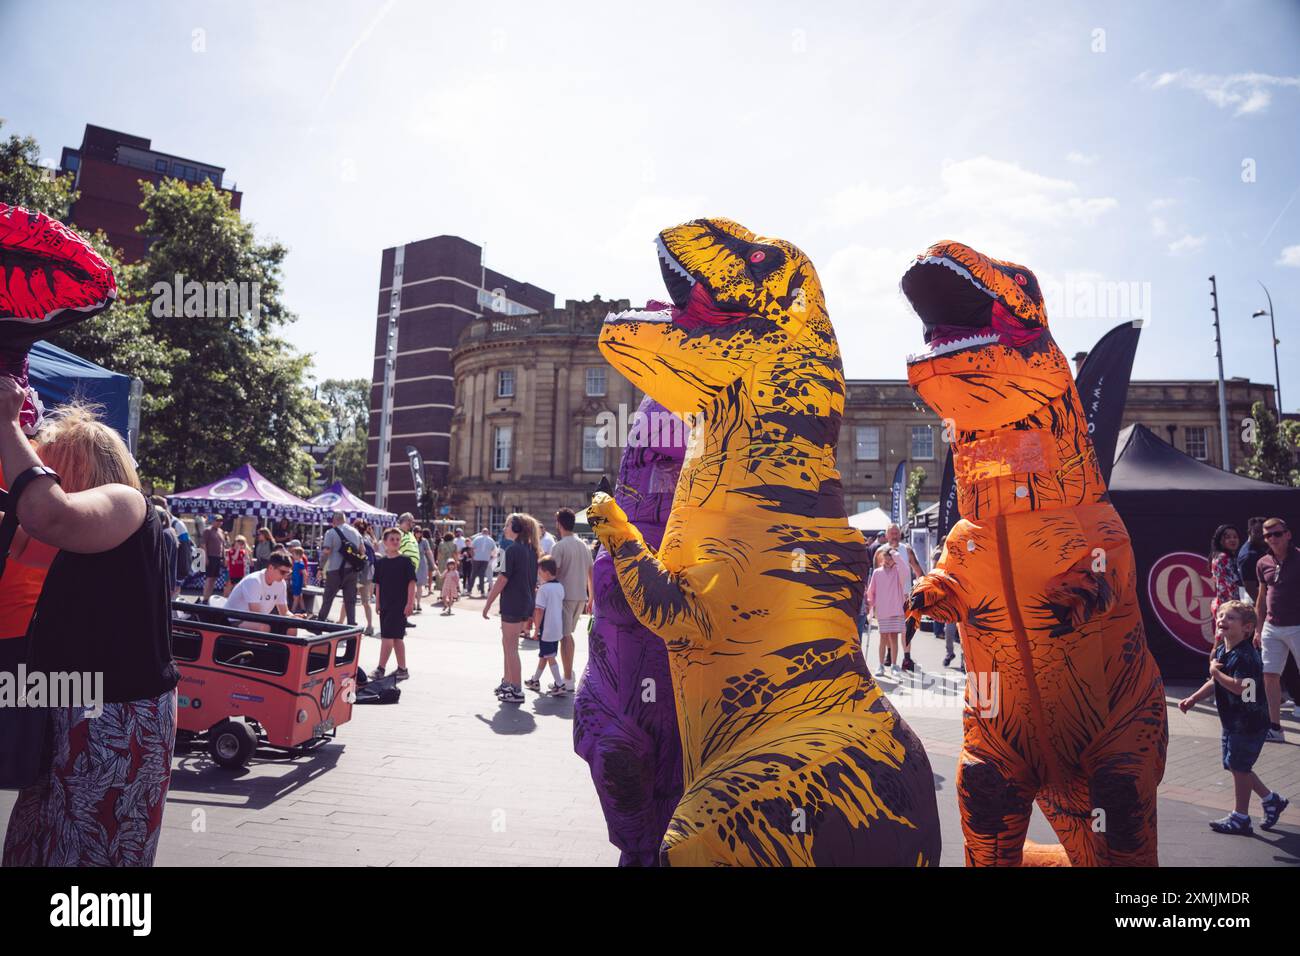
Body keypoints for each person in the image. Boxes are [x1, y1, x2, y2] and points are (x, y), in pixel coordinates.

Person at [0, 397, 177, 867]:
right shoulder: (84, 531)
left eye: (46, 468)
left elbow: (43, 514)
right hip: (71, 710)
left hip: (116, 719)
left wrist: (4, 417)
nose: (32, 478)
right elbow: (18, 535)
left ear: (77, 467)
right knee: (36, 848)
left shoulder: (125, 501)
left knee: (93, 854)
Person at [1179, 601, 1289, 834]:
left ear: (1247, 628)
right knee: (1236, 765)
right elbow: (1214, 682)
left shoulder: (1246, 657)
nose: (1222, 620)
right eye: (1220, 615)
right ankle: (1271, 800)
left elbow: (1242, 689)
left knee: (1239, 766)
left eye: (1230, 618)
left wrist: (1216, 672)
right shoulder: (1222, 651)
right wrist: (1193, 699)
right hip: (1232, 722)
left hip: (1248, 724)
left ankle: (1241, 817)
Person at [483, 513, 540, 703]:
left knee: (511, 648)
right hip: (524, 603)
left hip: (512, 603)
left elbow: (501, 579)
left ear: (516, 529)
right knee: (507, 645)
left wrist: (488, 603)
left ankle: (516, 689)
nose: (505, 529)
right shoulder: (531, 550)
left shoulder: (512, 550)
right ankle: (508, 683)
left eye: (508, 525)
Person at [1255, 517, 1300, 743]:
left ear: (1288, 534)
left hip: (1298, 626)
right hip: (1272, 627)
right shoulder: (1263, 562)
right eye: (1267, 535)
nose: (1272, 538)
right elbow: (1262, 597)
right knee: (1269, 675)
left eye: (1277, 533)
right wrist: (1257, 628)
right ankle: (1275, 728)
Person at [551, 508, 593, 693]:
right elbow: (592, 573)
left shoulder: (559, 546)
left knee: (565, 637)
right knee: (568, 636)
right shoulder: (583, 544)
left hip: (565, 596)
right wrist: (592, 597)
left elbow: (554, 572)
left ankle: (567, 679)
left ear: (559, 524)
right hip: (580, 597)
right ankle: (569, 674)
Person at [372, 527, 416, 681]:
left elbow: (411, 583)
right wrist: (377, 603)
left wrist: (410, 603)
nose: (395, 542)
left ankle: (380, 668)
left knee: (387, 638)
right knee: (397, 638)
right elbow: (378, 584)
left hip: (399, 605)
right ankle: (402, 669)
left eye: (398, 539)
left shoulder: (405, 561)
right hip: (385, 605)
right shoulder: (381, 563)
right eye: (392, 539)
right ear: (384, 542)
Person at [224, 551, 298, 634]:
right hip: (233, 620)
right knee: (263, 627)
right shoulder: (254, 580)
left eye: (288, 573)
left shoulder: (281, 583)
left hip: (258, 619)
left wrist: (293, 617)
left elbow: (284, 612)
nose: (285, 576)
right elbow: (255, 614)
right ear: (270, 568)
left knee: (292, 627)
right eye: (283, 572)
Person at [884, 523, 924, 671]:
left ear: (900, 534)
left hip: (905, 596)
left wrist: (920, 589)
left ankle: (907, 658)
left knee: (906, 628)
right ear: (887, 535)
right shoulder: (881, 551)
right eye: (891, 533)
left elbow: (918, 571)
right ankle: (889, 654)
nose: (894, 535)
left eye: (896, 533)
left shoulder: (906, 550)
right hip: (887, 597)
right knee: (888, 629)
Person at [525, 556, 567, 695]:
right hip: (557, 627)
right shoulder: (560, 587)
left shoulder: (544, 589)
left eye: (540, 572)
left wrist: (536, 629)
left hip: (546, 628)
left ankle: (560, 684)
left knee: (549, 656)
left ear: (547, 572)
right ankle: (535, 680)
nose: (539, 574)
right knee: (545, 654)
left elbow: (539, 610)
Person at [317, 510, 363, 625]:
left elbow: (326, 552)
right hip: (352, 570)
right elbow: (363, 551)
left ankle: (319, 625)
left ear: (334, 521)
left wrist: (320, 568)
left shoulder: (331, 532)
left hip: (335, 571)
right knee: (350, 601)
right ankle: (351, 626)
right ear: (344, 520)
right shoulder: (356, 532)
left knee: (328, 599)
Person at [868, 546, 907, 678]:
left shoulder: (898, 572)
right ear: (882, 558)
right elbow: (871, 591)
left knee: (894, 638)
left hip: (896, 609)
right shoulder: (877, 572)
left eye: (891, 558)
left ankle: (894, 665)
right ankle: (880, 665)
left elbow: (906, 570)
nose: (888, 560)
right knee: (883, 638)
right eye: (887, 557)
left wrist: (895, 554)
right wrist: (871, 606)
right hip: (883, 610)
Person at [1209, 524, 1243, 622]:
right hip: (1229, 608)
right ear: (1220, 540)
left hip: (1226, 607)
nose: (1232, 540)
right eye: (1228, 537)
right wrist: (1238, 609)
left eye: (1235, 537)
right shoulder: (1223, 557)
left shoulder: (1230, 557)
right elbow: (1229, 586)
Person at [351, 518, 377, 637]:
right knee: (365, 602)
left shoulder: (356, 538)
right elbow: (376, 547)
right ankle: (370, 625)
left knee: (348, 600)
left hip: (356, 572)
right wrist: (372, 534)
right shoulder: (368, 539)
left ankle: (341, 623)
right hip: (367, 573)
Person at [1237, 516, 1269, 602]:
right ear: (1249, 532)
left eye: (1263, 532)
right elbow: (1250, 588)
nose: (1261, 535)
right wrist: (1263, 606)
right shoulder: (1249, 555)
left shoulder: (1259, 547)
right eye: (1257, 532)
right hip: (1252, 600)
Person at [200, 514, 227, 603]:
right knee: (209, 578)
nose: (219, 522)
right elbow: (203, 544)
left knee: (214, 578)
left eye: (221, 521)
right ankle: (205, 598)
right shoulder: (207, 530)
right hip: (210, 557)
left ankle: (208, 598)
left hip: (218, 558)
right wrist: (206, 557)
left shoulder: (221, 531)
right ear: (213, 521)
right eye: (217, 520)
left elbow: (223, 545)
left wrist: (224, 557)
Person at [470, 526, 496, 596]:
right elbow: (494, 551)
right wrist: (490, 557)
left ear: (482, 532)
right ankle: (482, 591)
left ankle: (469, 590)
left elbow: (472, 548)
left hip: (476, 558)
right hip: (485, 559)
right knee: (482, 575)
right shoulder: (491, 540)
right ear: (487, 533)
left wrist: (472, 557)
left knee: (473, 574)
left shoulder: (477, 538)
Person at [289, 544, 308, 613]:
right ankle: (303, 609)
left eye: (293, 554)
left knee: (296, 597)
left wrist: (304, 582)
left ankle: (292, 610)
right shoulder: (296, 563)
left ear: (298, 555)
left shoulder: (300, 563)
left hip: (298, 583)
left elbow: (305, 574)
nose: (292, 556)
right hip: (295, 582)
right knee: (299, 596)